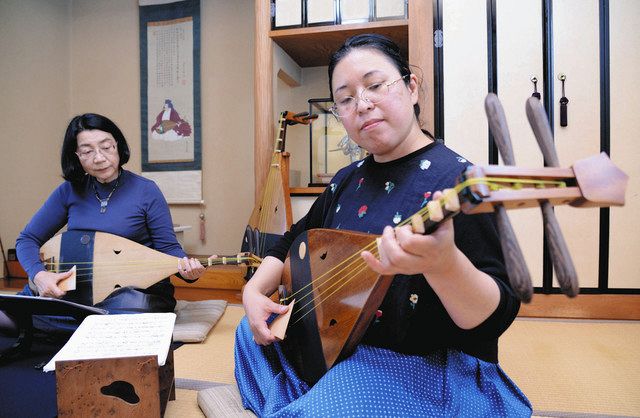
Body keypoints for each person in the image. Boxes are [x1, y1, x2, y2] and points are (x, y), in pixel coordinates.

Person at [234, 34, 532, 416]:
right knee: (248, 334)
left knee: (337, 398)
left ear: (410, 87)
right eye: (345, 98)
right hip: (335, 343)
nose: (363, 104)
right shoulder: (346, 179)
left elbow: (493, 318)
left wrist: (444, 265)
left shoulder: (458, 181)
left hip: (424, 365)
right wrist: (254, 292)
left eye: (375, 86)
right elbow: (293, 240)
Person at [0, 113, 204, 335]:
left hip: (132, 295)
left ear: (118, 146)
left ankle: (58, 325)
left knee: (129, 316)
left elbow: (168, 249)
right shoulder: (69, 191)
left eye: (106, 147)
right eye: (87, 151)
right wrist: (40, 276)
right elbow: (27, 239)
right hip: (78, 291)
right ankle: (78, 325)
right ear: (76, 156)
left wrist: (187, 271)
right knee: (9, 312)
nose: (99, 158)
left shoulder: (147, 191)